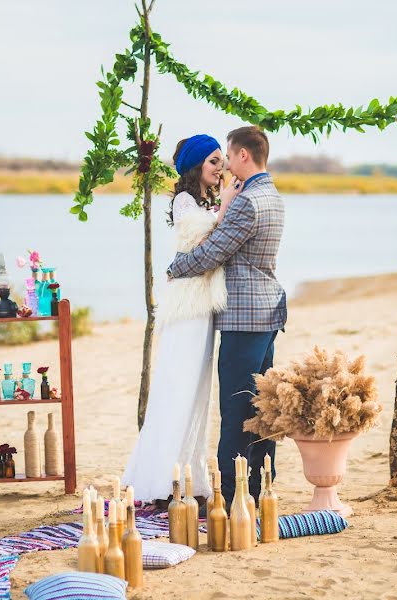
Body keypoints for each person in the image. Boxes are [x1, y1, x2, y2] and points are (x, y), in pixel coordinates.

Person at [121, 133, 245, 503]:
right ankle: (161, 481)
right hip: (188, 308)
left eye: (222, 160)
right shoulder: (184, 200)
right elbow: (203, 239)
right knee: (176, 390)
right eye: (212, 161)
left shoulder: (207, 200)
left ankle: (188, 476)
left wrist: (223, 203)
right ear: (195, 166)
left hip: (205, 308)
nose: (220, 166)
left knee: (196, 395)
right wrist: (226, 205)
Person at [166, 126, 286, 506]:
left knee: (237, 410)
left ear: (243, 156)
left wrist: (176, 268)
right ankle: (262, 489)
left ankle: (233, 497)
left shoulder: (247, 202)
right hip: (267, 314)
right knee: (262, 409)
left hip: (244, 320)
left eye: (229, 157)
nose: (226, 166)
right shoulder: (272, 194)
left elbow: (212, 252)